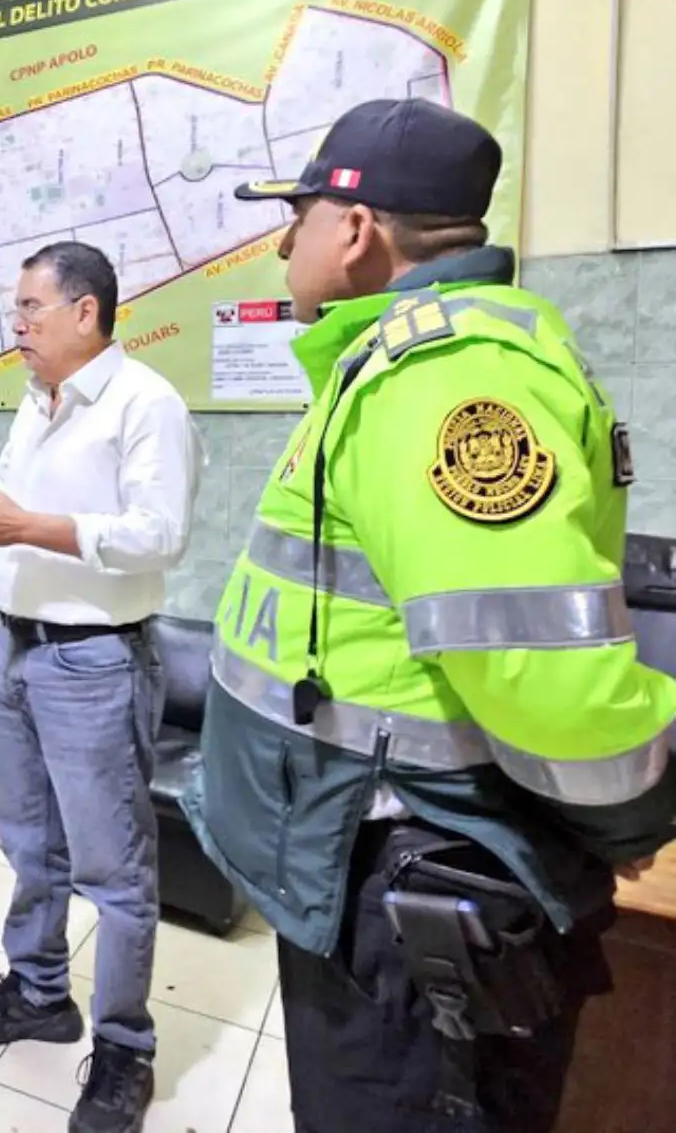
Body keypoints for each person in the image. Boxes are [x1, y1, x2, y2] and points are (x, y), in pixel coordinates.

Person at [184, 97, 676, 1132]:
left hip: (415, 887)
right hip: (356, 858)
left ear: (355, 230)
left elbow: (540, 668)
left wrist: (636, 814)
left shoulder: (448, 384)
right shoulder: (392, 368)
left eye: (300, 214)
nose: (286, 241)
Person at [0, 241, 201, 1133]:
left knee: (115, 868)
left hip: (96, 660)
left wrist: (24, 522)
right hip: (17, 649)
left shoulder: (146, 404)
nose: (16, 327)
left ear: (86, 314)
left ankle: (124, 1050)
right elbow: (27, 526)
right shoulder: (39, 404)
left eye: (30, 309)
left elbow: (158, 536)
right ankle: (37, 992)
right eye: (15, 311)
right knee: (29, 843)